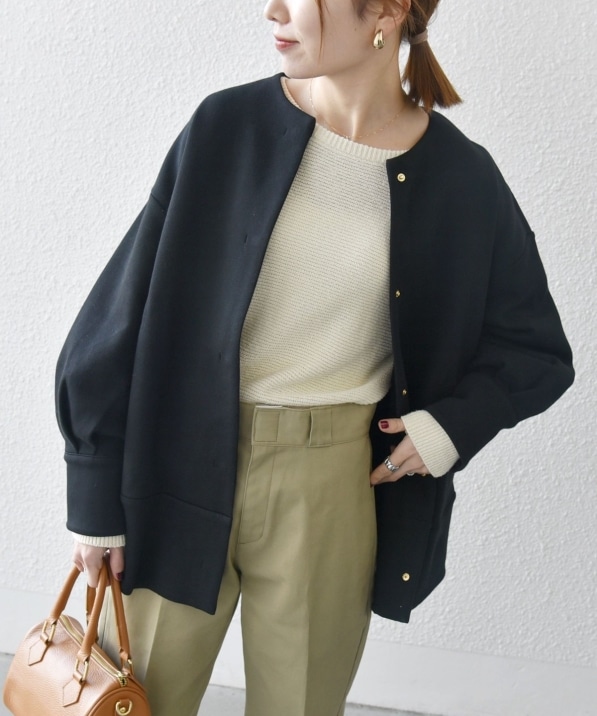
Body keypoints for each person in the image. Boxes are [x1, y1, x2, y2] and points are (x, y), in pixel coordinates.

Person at [56, 0, 574, 714]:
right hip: (177, 466)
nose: (272, 10)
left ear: (385, 12)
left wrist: (444, 430)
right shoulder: (226, 128)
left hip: (329, 486)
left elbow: (535, 347)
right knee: (131, 700)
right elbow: (117, 319)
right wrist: (92, 494)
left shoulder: (462, 177)